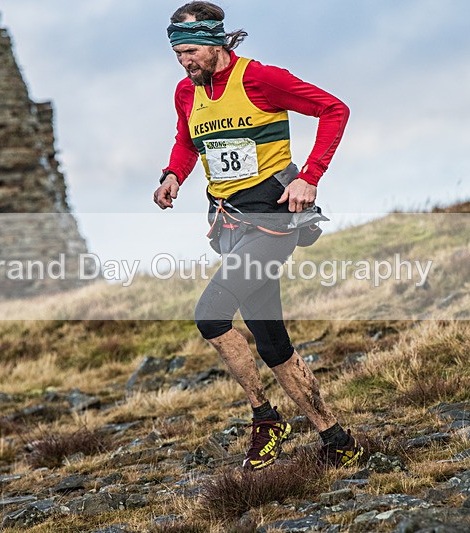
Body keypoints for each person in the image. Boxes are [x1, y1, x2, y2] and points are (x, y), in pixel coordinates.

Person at [153, 1, 363, 470]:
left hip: (273, 224)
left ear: (214, 43)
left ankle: (265, 419)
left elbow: (335, 109)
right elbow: (188, 141)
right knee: (272, 344)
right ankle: (337, 439)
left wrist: (309, 176)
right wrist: (173, 176)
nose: (185, 63)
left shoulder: (261, 79)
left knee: (210, 315)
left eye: (191, 53)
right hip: (228, 226)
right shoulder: (187, 93)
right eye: (178, 55)